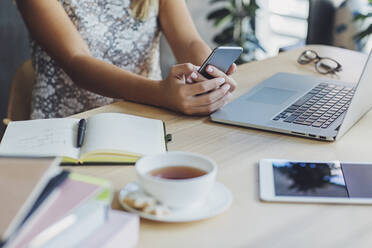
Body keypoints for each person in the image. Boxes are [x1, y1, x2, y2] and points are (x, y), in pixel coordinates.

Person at [16, 0, 237, 119]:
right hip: (70, 125)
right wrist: (161, 93)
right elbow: (77, 62)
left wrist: (209, 74)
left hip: (148, 115)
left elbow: (188, 41)